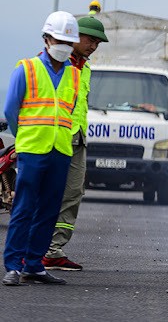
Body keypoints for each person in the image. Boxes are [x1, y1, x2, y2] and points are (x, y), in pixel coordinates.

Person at [2, 11, 81, 286]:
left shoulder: (74, 74)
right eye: (60, 39)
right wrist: (23, 137)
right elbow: (11, 110)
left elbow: (70, 110)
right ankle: (13, 265)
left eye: (69, 42)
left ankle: (34, 264)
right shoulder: (26, 68)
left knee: (49, 209)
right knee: (24, 208)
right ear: (46, 39)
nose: (64, 46)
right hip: (33, 149)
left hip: (61, 150)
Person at [42, 17, 108, 271]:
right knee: (46, 194)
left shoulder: (85, 68)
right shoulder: (57, 63)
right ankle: (34, 250)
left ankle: (54, 250)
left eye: (98, 43)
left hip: (77, 137)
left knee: (72, 194)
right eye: (90, 40)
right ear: (74, 36)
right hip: (53, 137)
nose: (94, 46)